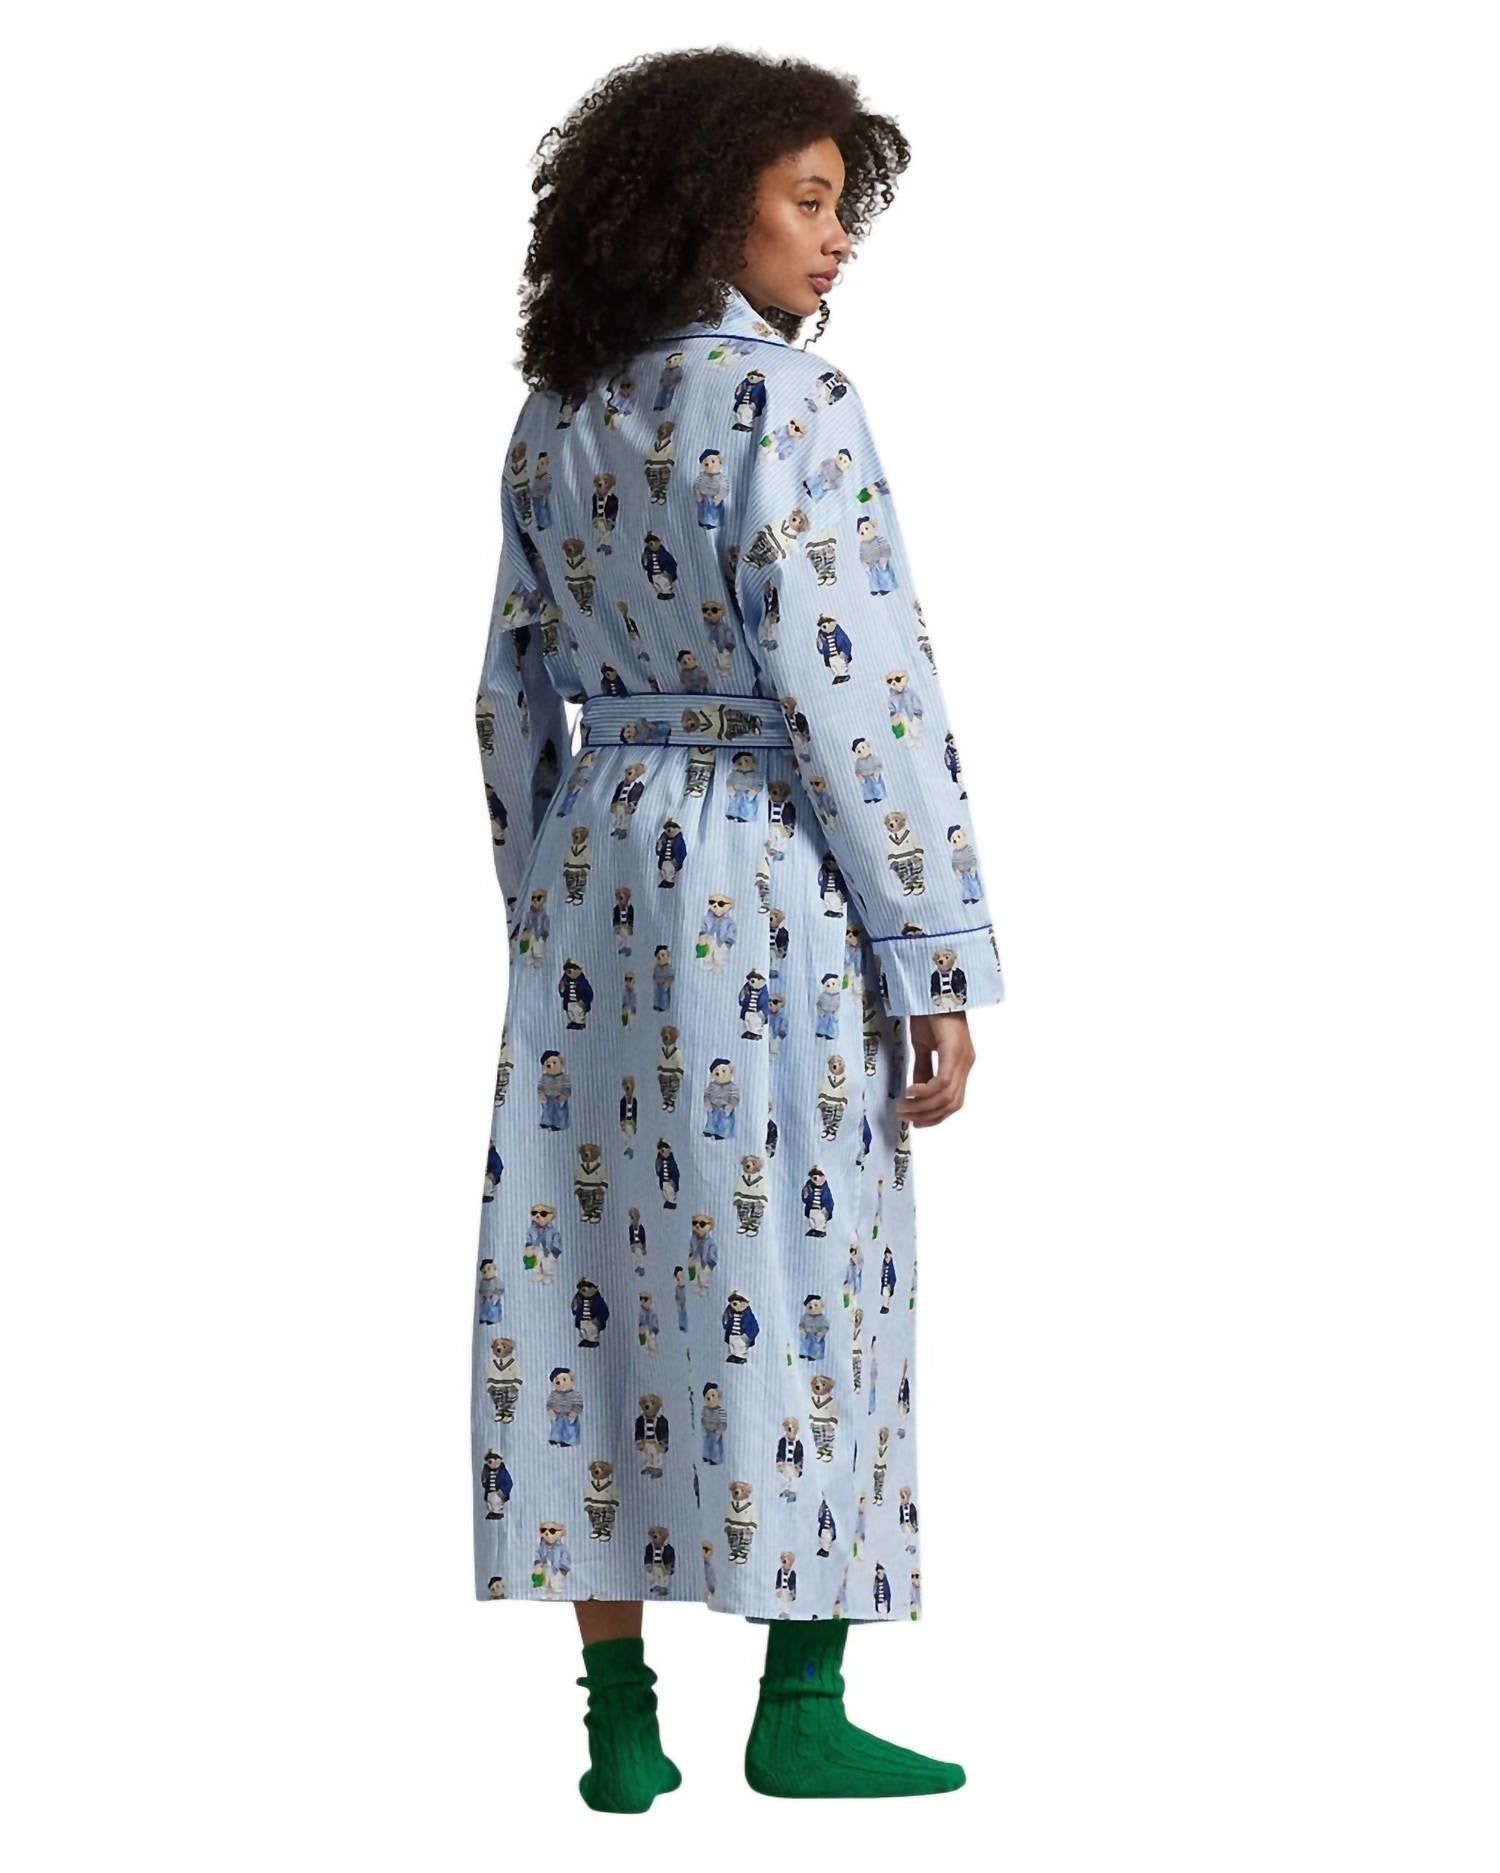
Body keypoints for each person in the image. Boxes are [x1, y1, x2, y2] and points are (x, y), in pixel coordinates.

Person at [471, 47, 1007, 1811]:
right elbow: (865, 698)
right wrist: (933, 955)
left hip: (598, 871)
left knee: (585, 1259)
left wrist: (543, 907)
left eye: (845, 207)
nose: (837, 240)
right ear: (716, 208)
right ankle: (800, 1700)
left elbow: (507, 691)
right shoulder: (791, 404)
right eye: (809, 201)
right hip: (768, 864)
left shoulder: (557, 413)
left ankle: (619, 1728)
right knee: (808, 1253)